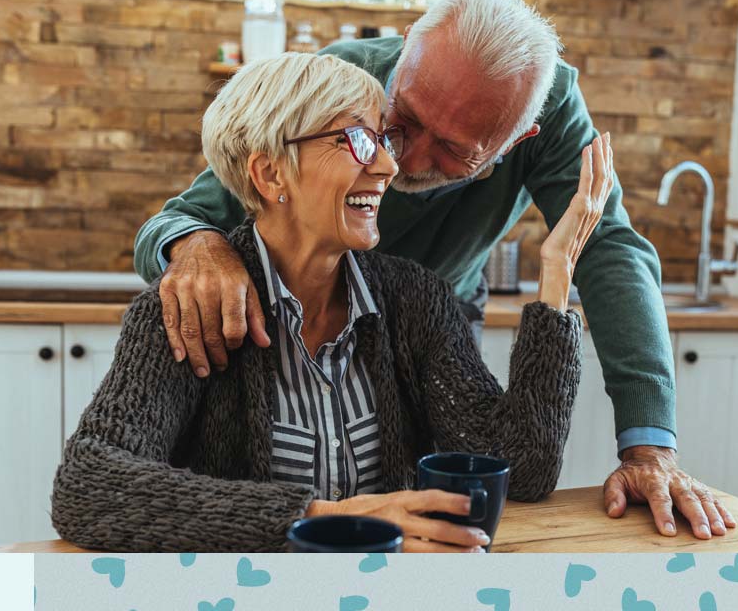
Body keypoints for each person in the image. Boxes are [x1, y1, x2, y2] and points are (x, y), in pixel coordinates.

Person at [134, 0, 735, 540]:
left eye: (453, 150)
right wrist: (198, 246)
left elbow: (607, 249)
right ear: (404, 54)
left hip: (437, 314)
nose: (403, 162)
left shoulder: (547, 116)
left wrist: (647, 446)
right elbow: (180, 218)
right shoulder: (338, 86)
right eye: (400, 123)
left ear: (518, 140)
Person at [51, 52, 608, 552]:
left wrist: (557, 275)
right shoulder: (186, 311)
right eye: (359, 142)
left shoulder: (415, 300)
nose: (390, 167)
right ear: (270, 173)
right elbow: (88, 486)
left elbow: (522, 467)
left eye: (382, 141)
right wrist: (328, 519)